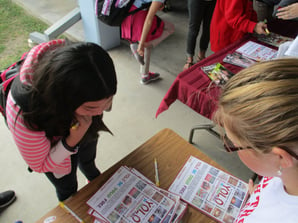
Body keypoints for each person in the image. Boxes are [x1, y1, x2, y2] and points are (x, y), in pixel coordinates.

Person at [6, 39, 117, 201]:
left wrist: (86, 121)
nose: (98, 113)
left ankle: (92, 175)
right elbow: (40, 164)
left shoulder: (91, 73)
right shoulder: (23, 113)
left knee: (87, 159)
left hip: (74, 128)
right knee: (67, 186)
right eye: (90, 108)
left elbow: (95, 108)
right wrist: (72, 141)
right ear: (63, 99)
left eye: (108, 102)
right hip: (53, 149)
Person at [213, 58, 298, 222]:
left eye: (234, 145)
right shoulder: (286, 170)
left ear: (281, 158)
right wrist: (260, 197)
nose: (232, 148)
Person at [121, 0, 174, 85]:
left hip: (128, 14)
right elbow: (149, 20)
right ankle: (143, 45)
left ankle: (145, 74)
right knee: (170, 28)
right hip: (138, 16)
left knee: (147, 40)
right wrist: (142, 44)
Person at [183, 0, 216, 70]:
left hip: (212, 1)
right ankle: (189, 60)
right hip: (196, 1)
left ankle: (202, 55)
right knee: (193, 30)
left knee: (208, 29)